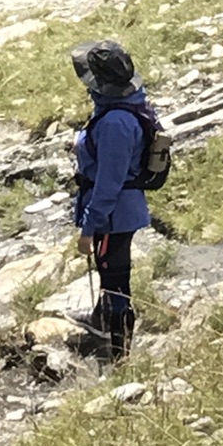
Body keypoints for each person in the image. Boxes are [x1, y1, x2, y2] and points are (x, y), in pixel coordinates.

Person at [71, 38, 152, 364]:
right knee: (111, 275)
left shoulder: (116, 123)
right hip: (122, 211)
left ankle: (118, 357)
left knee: (117, 281)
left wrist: (89, 229)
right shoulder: (126, 107)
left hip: (114, 215)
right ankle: (102, 325)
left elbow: (109, 185)